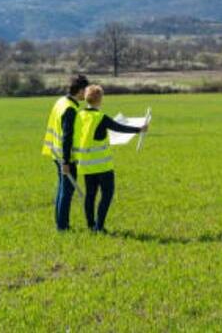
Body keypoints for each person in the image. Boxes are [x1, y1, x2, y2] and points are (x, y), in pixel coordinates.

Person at [73, 85, 147, 233]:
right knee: (107, 194)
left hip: (85, 164)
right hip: (102, 165)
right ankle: (99, 226)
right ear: (99, 99)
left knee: (90, 195)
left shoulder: (79, 115)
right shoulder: (100, 117)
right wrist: (139, 129)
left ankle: (90, 225)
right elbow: (118, 127)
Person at [43, 74, 89, 231]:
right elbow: (67, 137)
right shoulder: (70, 109)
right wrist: (66, 162)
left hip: (56, 153)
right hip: (65, 157)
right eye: (86, 91)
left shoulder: (61, 102)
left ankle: (59, 223)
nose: (87, 95)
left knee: (62, 189)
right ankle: (62, 226)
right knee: (67, 192)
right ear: (81, 90)